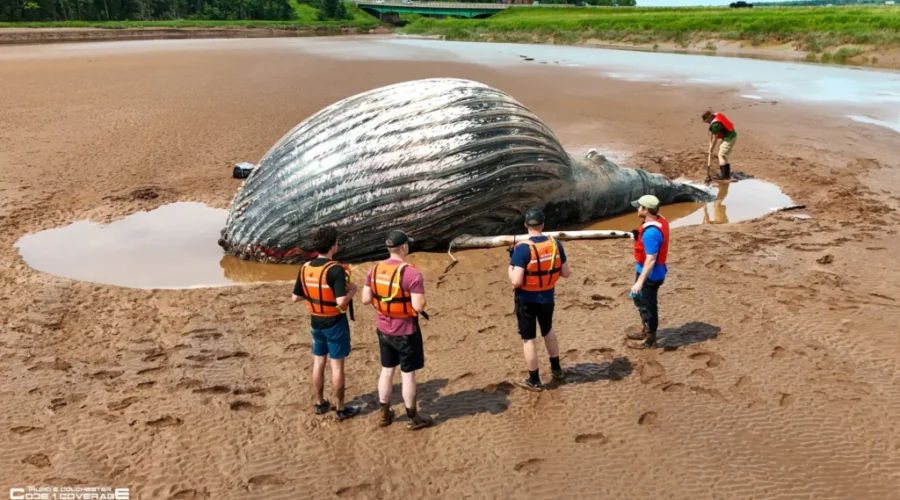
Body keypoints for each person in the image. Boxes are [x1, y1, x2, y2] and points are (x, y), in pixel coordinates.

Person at [361, 230, 434, 430]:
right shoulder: (412, 273)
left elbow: (365, 299)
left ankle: (384, 414)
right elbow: (418, 307)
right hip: (406, 331)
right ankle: (413, 417)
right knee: (408, 375)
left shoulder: (374, 269)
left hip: (383, 329)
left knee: (386, 371)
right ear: (403, 247)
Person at [291, 226, 360, 421]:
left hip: (315, 322)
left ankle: (319, 403)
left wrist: (314, 295)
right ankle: (340, 408)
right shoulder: (335, 270)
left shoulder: (305, 268)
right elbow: (341, 301)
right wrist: (352, 291)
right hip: (335, 323)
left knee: (318, 362)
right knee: (337, 366)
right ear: (333, 246)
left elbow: (295, 297)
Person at [508, 207, 570, 391]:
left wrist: (510, 266)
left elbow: (516, 281)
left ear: (526, 225)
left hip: (526, 299)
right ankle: (556, 369)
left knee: (528, 339)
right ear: (542, 224)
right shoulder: (555, 244)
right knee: (548, 330)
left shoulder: (522, 249)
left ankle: (534, 379)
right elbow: (565, 273)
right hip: (547, 297)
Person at [627, 195, 669, 349]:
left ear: (646, 210)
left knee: (649, 306)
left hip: (651, 275)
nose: (637, 209)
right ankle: (645, 329)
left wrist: (639, 282)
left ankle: (650, 340)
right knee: (638, 299)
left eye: (639, 207)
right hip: (644, 270)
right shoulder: (658, 219)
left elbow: (651, 259)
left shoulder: (651, 233)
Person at [702, 110, 737, 181]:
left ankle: (723, 176)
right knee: (724, 155)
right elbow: (713, 134)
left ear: (710, 118)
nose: (707, 123)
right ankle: (726, 175)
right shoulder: (716, 115)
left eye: (707, 121)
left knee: (721, 155)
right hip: (729, 136)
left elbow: (715, 139)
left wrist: (711, 149)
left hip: (729, 138)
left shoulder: (715, 125)